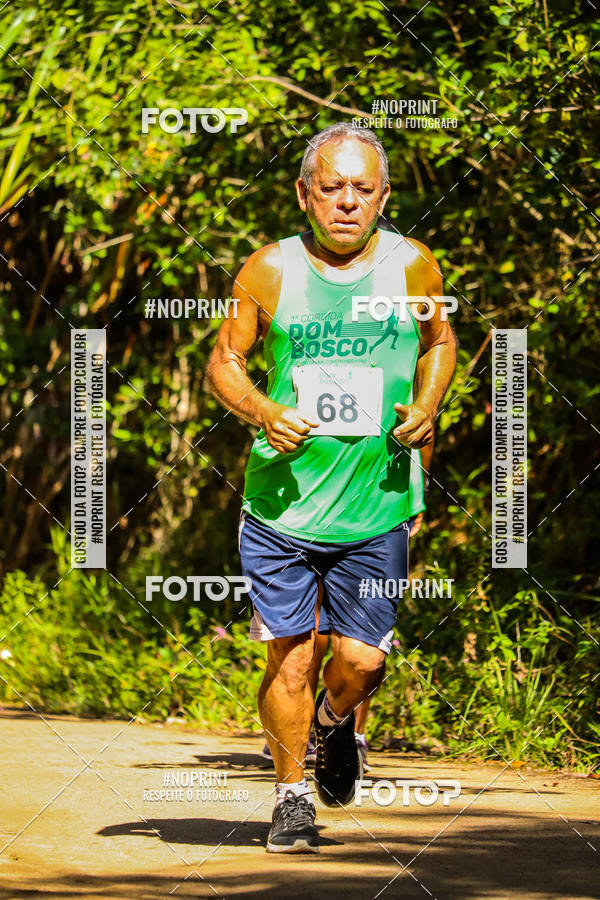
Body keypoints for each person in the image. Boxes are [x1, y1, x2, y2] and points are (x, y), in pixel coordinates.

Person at [207, 122, 456, 853]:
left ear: (383, 196)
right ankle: (290, 799)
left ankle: (334, 723)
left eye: (361, 188)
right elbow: (225, 361)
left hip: (377, 501)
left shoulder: (413, 266)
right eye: (332, 187)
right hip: (283, 503)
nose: (347, 202)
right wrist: (262, 409)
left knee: (361, 661)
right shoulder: (269, 270)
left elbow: (440, 342)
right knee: (291, 656)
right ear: (304, 194)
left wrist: (431, 403)